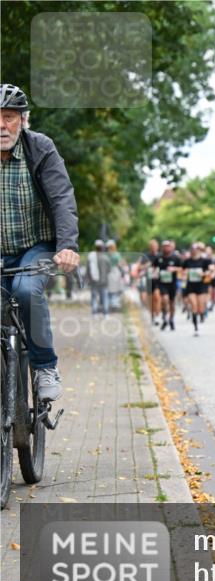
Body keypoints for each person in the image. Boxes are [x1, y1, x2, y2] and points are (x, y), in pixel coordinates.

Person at [0, 83, 80, 401]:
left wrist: (68, 246)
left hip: (37, 246)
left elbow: (61, 198)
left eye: (9, 117)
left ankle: (45, 366)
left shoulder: (39, 148)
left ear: (23, 120)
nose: (1, 125)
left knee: (25, 289)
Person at [181, 242, 215, 336]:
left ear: (199, 250)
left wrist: (204, 274)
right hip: (191, 286)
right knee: (194, 307)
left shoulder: (205, 261)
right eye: (192, 249)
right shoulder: (187, 261)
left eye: (196, 249)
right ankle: (196, 328)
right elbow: (182, 272)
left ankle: (202, 314)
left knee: (200, 309)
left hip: (201, 286)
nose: (194, 251)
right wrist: (184, 275)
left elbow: (212, 270)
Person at [156, 239, 182, 331]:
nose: (166, 248)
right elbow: (153, 267)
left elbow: (182, 269)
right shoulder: (159, 257)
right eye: (164, 246)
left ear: (171, 247)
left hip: (172, 283)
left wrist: (174, 269)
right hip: (162, 283)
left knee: (172, 302)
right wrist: (155, 273)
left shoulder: (176, 258)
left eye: (168, 246)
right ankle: (164, 317)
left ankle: (171, 319)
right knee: (164, 299)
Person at [133, 238, 160, 325]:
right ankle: (153, 316)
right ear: (150, 247)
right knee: (150, 299)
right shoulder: (145, 256)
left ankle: (157, 314)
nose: (154, 248)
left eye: (155, 246)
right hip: (148, 279)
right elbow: (138, 267)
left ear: (157, 247)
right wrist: (146, 265)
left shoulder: (160, 256)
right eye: (152, 246)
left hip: (158, 279)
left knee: (157, 297)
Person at [87, 239, 111, 317]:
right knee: (105, 297)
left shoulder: (91, 257)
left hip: (94, 281)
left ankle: (95, 313)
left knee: (94, 297)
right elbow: (109, 269)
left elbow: (88, 269)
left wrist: (88, 278)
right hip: (104, 281)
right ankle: (106, 313)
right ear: (102, 247)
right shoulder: (106, 257)